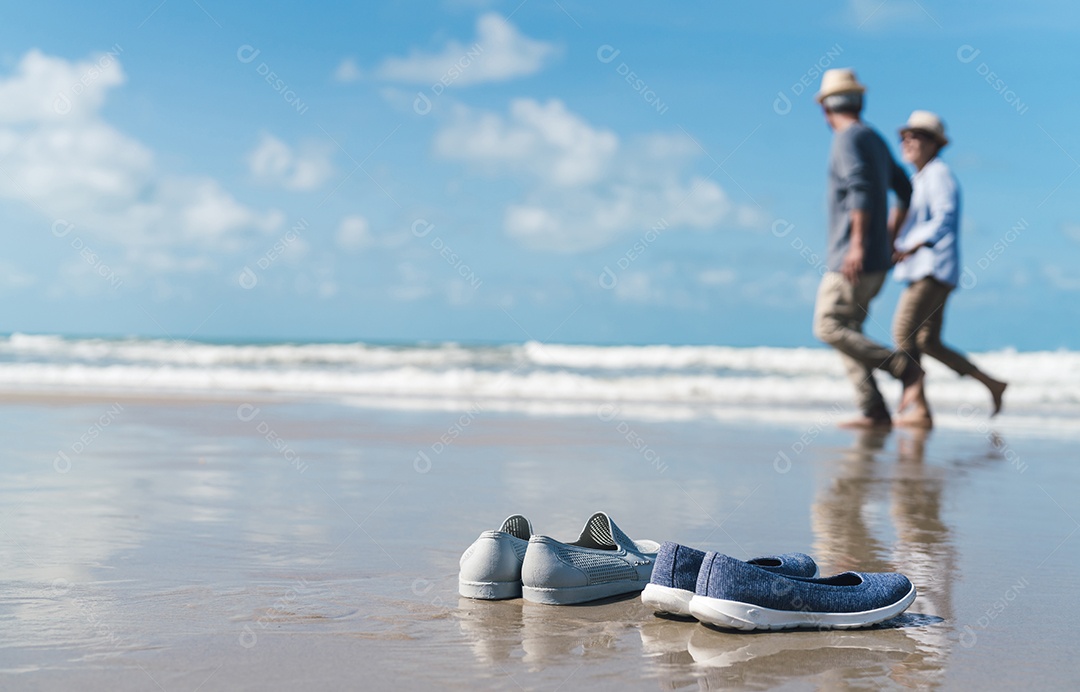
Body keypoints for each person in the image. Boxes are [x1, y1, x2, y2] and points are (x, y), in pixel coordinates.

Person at [812, 68, 923, 429]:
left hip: (851, 258)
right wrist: (889, 237)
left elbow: (859, 189)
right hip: (875, 260)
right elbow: (905, 189)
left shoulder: (847, 138)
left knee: (828, 326)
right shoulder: (873, 137)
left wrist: (857, 245)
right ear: (859, 102)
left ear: (825, 109)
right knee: (848, 333)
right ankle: (874, 410)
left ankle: (902, 367)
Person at [890, 111, 1007, 427]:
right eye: (904, 137)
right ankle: (991, 383)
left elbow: (945, 216)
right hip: (924, 269)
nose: (907, 142)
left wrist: (914, 244)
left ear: (934, 144)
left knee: (903, 332)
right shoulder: (918, 179)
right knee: (928, 342)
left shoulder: (939, 174)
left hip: (932, 269)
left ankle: (919, 407)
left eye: (915, 136)